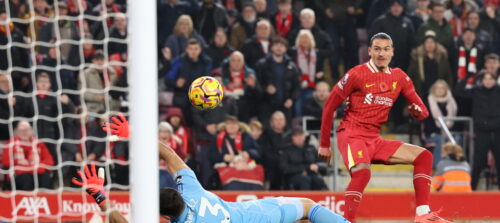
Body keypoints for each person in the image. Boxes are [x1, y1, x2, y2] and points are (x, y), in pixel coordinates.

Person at [73, 115, 349, 223]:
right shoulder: (192, 190)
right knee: (308, 208)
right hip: (253, 216)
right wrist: (134, 133)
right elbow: (169, 154)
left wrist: (100, 195)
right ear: (178, 193)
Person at [318, 32, 451, 223]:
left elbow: (423, 111)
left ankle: (422, 213)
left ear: (392, 52)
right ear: (370, 51)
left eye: (386, 49)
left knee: (424, 156)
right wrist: (324, 143)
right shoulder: (356, 74)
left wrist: (417, 112)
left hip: (374, 138)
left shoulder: (400, 77)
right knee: (363, 172)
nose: (381, 53)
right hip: (351, 134)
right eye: (377, 49)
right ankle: (347, 221)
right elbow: (329, 105)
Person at [454, 72, 500, 190]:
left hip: (497, 130)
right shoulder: (476, 91)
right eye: (486, 79)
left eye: (491, 78)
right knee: (478, 161)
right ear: (481, 80)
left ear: (495, 80)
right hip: (481, 131)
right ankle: (472, 189)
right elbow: (458, 92)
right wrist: (467, 77)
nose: (488, 81)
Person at [255, 37, 300, 123]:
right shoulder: (262, 64)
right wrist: (266, 88)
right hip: (267, 104)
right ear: (271, 47)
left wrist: (292, 99)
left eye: (282, 46)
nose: (279, 48)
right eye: (276, 45)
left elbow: (297, 86)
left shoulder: (292, 66)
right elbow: (257, 83)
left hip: (285, 104)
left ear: (286, 49)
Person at [2, 121, 54, 190]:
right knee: (26, 178)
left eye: (27, 130)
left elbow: (49, 161)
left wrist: (27, 167)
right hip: (19, 175)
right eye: (21, 130)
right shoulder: (11, 144)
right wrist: (17, 161)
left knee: (45, 178)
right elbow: (5, 162)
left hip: (36, 171)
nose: (24, 132)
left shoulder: (39, 143)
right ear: (16, 132)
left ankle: (47, 200)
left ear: (31, 131)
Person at [288, 29, 325, 117]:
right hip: (297, 84)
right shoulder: (293, 51)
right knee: (297, 106)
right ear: (298, 40)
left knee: (308, 106)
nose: (304, 40)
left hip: (311, 84)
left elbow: (320, 68)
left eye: (306, 38)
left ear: (310, 39)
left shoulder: (316, 53)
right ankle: (299, 125)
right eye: (302, 38)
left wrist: (320, 73)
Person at [422, 80, 457, 167]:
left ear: (446, 90)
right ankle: (437, 168)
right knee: (440, 139)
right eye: (437, 88)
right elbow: (426, 124)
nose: (440, 90)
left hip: (448, 133)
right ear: (433, 90)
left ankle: (454, 166)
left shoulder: (452, 102)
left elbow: (455, 123)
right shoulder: (427, 103)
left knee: (458, 138)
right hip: (432, 134)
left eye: (442, 88)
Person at [407, 31, 453, 96]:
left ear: (436, 44)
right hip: (421, 93)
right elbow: (410, 76)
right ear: (424, 44)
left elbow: (448, 76)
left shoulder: (442, 58)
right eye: (427, 42)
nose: (430, 44)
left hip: (438, 93)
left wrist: (447, 91)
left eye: (432, 42)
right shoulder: (417, 58)